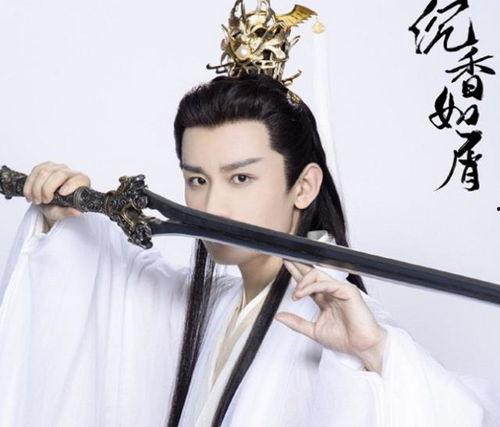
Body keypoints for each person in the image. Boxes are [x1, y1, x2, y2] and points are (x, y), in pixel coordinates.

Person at [1, 2, 499, 427]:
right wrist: (67, 219)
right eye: (198, 180)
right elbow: (119, 298)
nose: (212, 206)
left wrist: (374, 355)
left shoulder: (340, 325)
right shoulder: (217, 302)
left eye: (241, 178)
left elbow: (455, 413)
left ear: (304, 186)